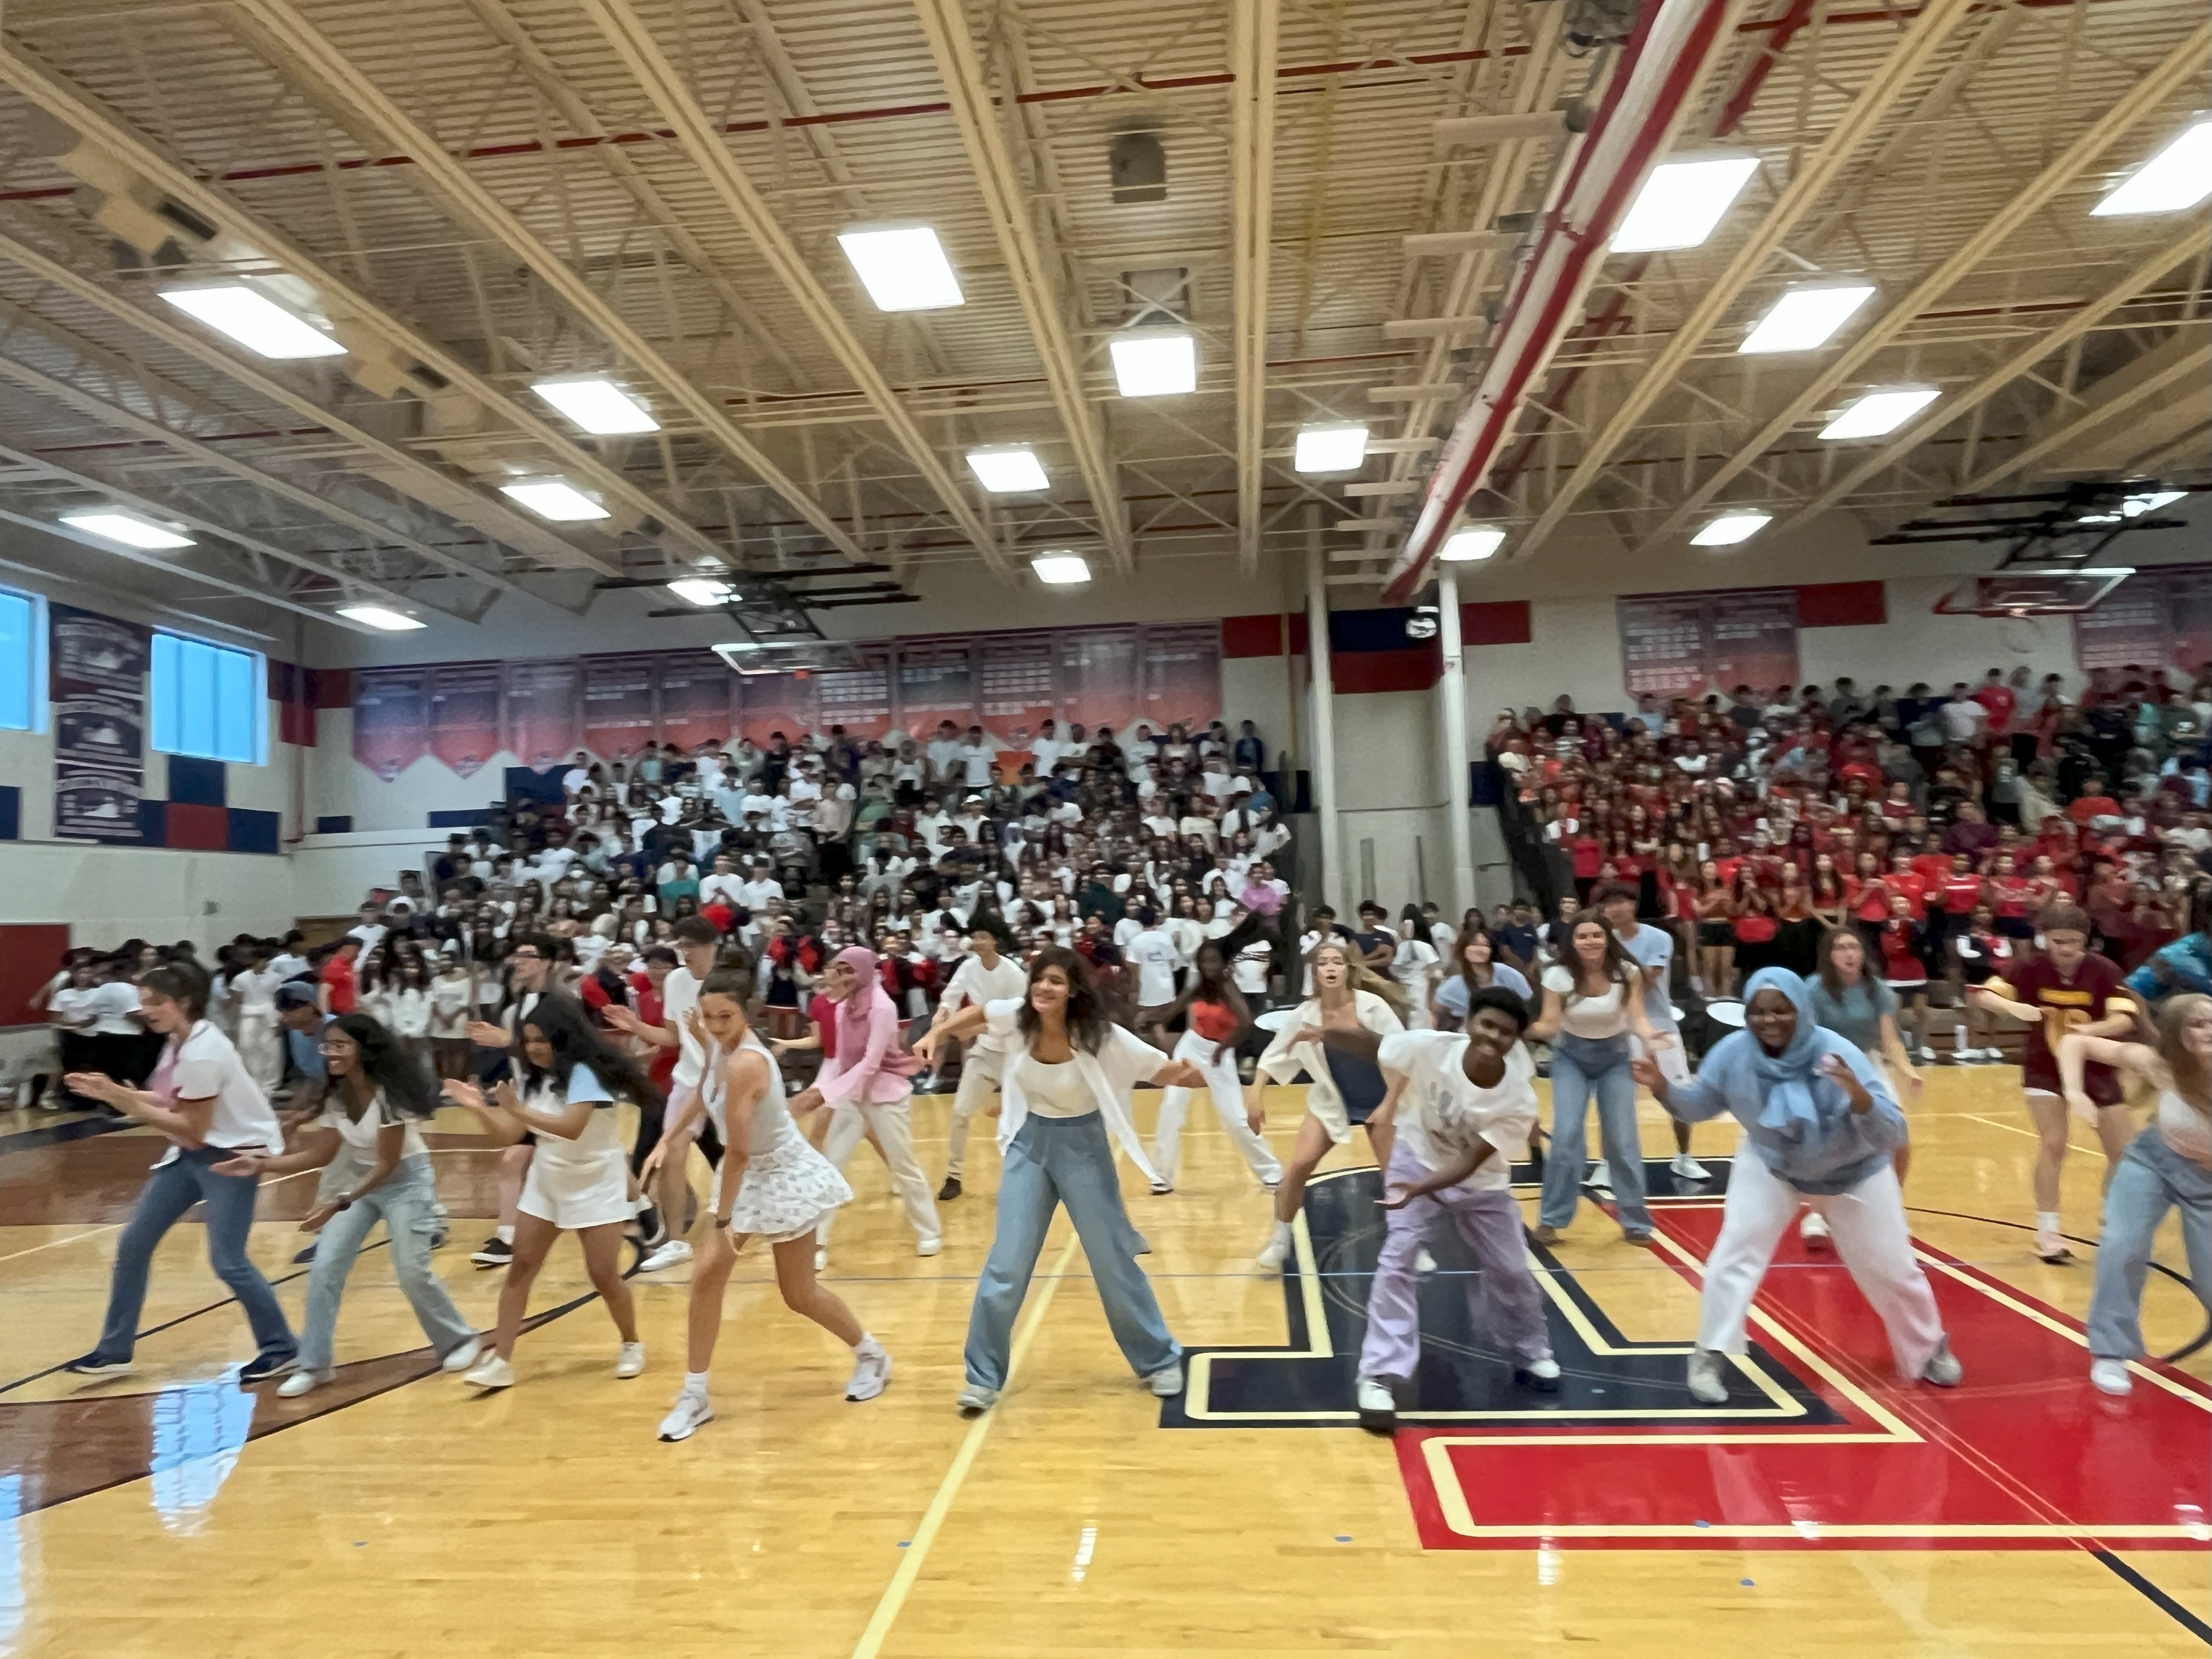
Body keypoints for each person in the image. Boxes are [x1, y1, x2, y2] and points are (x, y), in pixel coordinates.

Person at [1632, 968, 1961, 1403]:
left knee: (1891, 1265)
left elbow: (1893, 1133)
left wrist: (1859, 1096)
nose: (1769, 1021)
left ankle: (1929, 1347)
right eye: (1759, 1012)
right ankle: (1710, 1353)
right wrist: (1661, 1087)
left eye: (1781, 1010)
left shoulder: (1837, 1053)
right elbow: (1698, 1107)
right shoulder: (1733, 1054)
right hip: (1773, 1164)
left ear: (1801, 1010)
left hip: (1854, 1168)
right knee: (1734, 1252)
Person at [915, 947, 1205, 1413]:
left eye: (1055, 982)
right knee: (1007, 1263)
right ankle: (982, 1377)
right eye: (1039, 980)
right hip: (1028, 1144)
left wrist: (1197, 1072)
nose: (1044, 989)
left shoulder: (1103, 1037)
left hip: (1083, 1147)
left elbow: (1162, 1069)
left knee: (1112, 1260)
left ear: (1073, 991)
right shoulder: (1018, 1018)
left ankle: (1158, 1358)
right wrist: (936, 1032)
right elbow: (979, 1012)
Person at [644, 970, 889, 1441]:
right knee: (707, 1277)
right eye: (709, 1017)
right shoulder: (721, 1046)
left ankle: (871, 1353)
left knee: (798, 1294)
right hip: (748, 1172)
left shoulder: (747, 1065)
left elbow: (736, 1152)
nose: (715, 1026)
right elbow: (700, 1094)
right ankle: (695, 1395)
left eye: (725, 1017)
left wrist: (722, 1221)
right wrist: (665, 1141)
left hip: (779, 1173)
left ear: (747, 1011)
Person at [215, 1014, 481, 1396]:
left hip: (406, 1183)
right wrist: (260, 1165)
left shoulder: (389, 1096)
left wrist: (337, 1203)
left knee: (411, 1271)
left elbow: (389, 1165)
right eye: (328, 1046)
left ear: (363, 1050)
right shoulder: (338, 1096)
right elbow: (319, 1154)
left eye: (340, 1045)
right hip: (363, 1183)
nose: (330, 1053)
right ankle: (314, 1365)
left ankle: (459, 1340)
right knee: (324, 1268)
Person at [61, 961, 298, 1383]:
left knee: (228, 1261)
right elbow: (173, 1101)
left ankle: (281, 1348)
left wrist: (127, 1105)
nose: (145, 1009)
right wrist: (113, 1090)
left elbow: (191, 1127)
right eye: (143, 1000)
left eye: (155, 1001)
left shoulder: (205, 1052)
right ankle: (115, 1348)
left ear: (184, 1002)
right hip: (193, 1154)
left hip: (231, 1156)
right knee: (133, 1243)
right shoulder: (180, 1041)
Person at [1345, 985, 1559, 1429]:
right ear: (1468, 1024)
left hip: (1479, 1182)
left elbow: (1468, 1163)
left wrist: (1418, 1189)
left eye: (1505, 1031)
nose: (1493, 1036)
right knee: (1398, 1258)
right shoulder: (1427, 1047)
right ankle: (1379, 1375)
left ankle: (1530, 1350)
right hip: (1416, 1154)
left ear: (1516, 1040)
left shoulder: (1518, 1100)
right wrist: (1330, 1031)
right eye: (1486, 1024)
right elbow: (1381, 1050)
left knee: (1511, 1269)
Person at [441, 995, 657, 1389]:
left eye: (542, 1040)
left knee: (604, 1275)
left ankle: (631, 1342)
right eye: (528, 1040)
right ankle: (501, 1360)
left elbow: (572, 1127)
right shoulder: (535, 1078)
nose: (534, 1048)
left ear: (563, 1038)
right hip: (548, 1180)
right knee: (521, 1267)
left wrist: (516, 1110)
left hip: (596, 1182)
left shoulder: (587, 1074)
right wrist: (477, 1107)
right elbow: (510, 1135)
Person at [1968, 905, 2141, 1261]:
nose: (2066, 949)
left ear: (2086, 941)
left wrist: (2090, 1032)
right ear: (2046, 939)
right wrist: (2016, 1010)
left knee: (2123, 1152)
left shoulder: (2104, 970)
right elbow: (1984, 994)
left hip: (2096, 1067)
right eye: (2059, 941)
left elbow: (2123, 1020)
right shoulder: (2030, 966)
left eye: (2075, 942)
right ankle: (2048, 1232)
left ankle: (2112, 1221)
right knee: (2053, 1142)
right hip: (2044, 1065)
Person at [2059, 995, 2212, 1396]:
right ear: (2178, 1036)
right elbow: (2075, 1043)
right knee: (2121, 1245)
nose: (2208, 1029)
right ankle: (2111, 1350)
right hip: (2153, 1163)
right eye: (2197, 1024)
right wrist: (2074, 1092)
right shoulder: (2161, 1066)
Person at [1246, 938, 1407, 1270]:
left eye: (1337, 962)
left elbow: (1403, 1055)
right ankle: (1279, 1239)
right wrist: (1255, 1094)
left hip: (1382, 1099)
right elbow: (1274, 1055)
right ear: (1315, 972)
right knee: (1298, 1167)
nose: (1331, 968)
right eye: (1324, 963)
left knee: (1396, 1176)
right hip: (1332, 1100)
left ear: (1348, 970)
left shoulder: (1372, 1006)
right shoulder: (1304, 1014)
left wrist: (1389, 1105)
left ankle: (1407, 1244)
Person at [1525, 915, 1672, 1245]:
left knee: (1622, 1139)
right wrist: (1516, 1028)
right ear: (1572, 943)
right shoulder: (1558, 975)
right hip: (1570, 1059)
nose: (1590, 941)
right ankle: (1551, 1219)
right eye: (1583, 936)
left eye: (1596, 935)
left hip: (1615, 1059)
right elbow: (1549, 1025)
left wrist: (1653, 1036)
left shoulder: (1627, 973)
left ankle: (1636, 1221)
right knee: (1565, 1137)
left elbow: (1638, 1019)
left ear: (1607, 939)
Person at [791, 946, 941, 1267]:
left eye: (848, 970)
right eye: (839, 970)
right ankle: (818, 1243)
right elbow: (842, 1060)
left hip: (886, 1095)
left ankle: (930, 1230)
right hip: (852, 1097)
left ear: (863, 970)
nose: (842, 976)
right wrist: (824, 1091)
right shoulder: (844, 1008)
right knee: (832, 1165)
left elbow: (872, 1063)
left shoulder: (883, 1008)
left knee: (903, 1166)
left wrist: (824, 1093)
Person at [1802, 927, 1926, 1246]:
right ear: (1830, 955)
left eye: (1854, 946)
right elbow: (1806, 1037)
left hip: (1867, 1063)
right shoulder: (1814, 989)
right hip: (1826, 1064)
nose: (1849, 953)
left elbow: (1890, 1040)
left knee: (1899, 1138)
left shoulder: (1878, 990)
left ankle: (1890, 1208)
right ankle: (1818, 1213)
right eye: (1841, 947)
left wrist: (1908, 1071)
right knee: (1827, 1142)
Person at [1143, 939, 1282, 1193]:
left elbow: (1246, 1023)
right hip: (1191, 1047)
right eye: (1204, 961)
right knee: (1171, 1108)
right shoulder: (1199, 988)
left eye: (1213, 960)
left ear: (1222, 963)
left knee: (1235, 1118)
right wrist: (1149, 1019)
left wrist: (1221, 1048)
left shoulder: (1227, 988)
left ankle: (1272, 1172)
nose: (1209, 965)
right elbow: (1172, 1010)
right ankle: (1161, 1177)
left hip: (1220, 1052)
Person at [1599, 884, 1707, 1183]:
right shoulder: (1600, 941)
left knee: (1679, 1094)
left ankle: (1684, 1158)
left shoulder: (1659, 938)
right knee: (1613, 1099)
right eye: (1609, 903)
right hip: (1616, 1028)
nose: (1616, 908)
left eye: (1622, 900)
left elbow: (1647, 979)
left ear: (1633, 905)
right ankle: (1608, 1164)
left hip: (1659, 1024)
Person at [930, 921, 1031, 1200]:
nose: (977, 940)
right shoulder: (968, 967)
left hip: (1016, 1053)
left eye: (983, 935)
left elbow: (1020, 1018)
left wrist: (973, 1028)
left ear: (996, 942)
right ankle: (954, 1175)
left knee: (1019, 1121)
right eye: (975, 935)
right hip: (986, 1052)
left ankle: (1028, 1177)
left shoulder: (1012, 974)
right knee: (961, 1112)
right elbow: (951, 996)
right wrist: (943, 1014)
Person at [1431, 926, 1532, 1030]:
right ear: (1464, 950)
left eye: (1485, 945)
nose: (1480, 950)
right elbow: (1436, 1012)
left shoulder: (1508, 974)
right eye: (1475, 945)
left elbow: (1528, 1002)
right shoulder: (1453, 985)